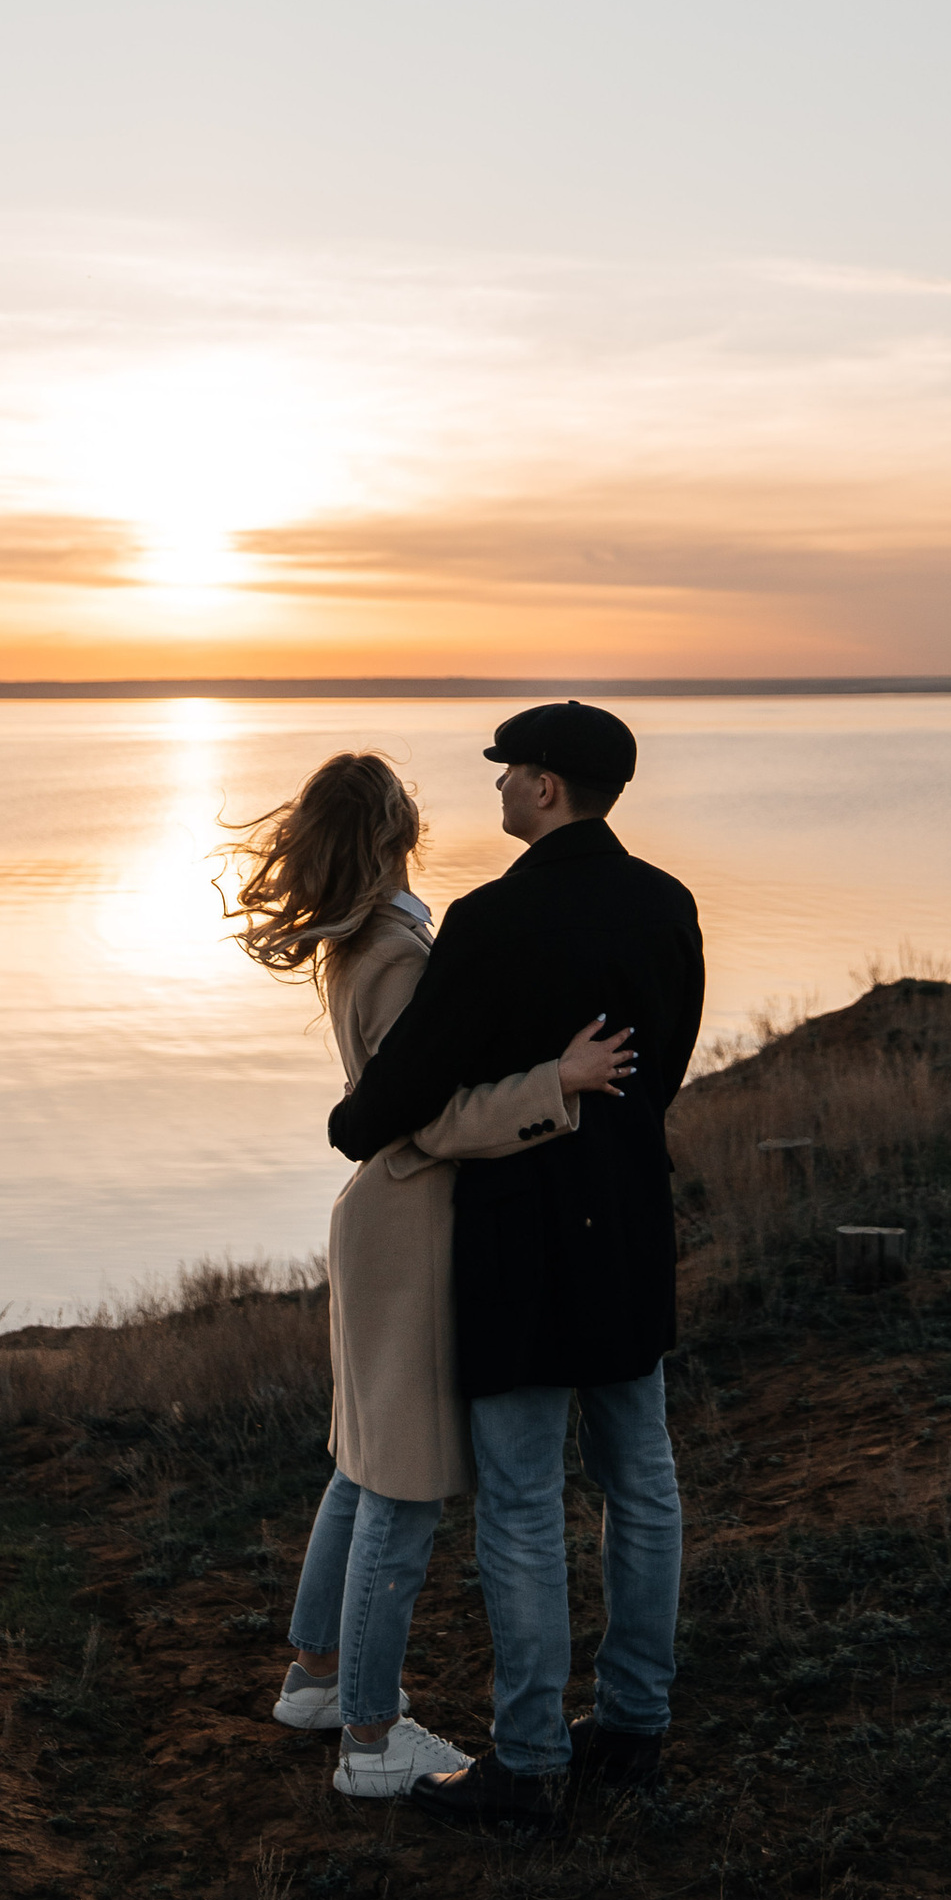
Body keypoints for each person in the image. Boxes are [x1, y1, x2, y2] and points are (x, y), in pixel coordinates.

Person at [227, 750, 636, 1802]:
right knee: (402, 1487)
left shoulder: (361, 937)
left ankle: (316, 1675)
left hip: (384, 1222)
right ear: (397, 828)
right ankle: (370, 1737)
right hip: (411, 1223)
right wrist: (560, 1081)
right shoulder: (400, 954)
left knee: (363, 1463)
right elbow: (433, 1115)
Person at [327, 700, 705, 1827]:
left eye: (505, 774)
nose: (492, 789)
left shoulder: (490, 922)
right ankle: (634, 1728)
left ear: (544, 789)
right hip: (630, 1231)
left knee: (526, 1509)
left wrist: (359, 1122)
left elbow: (392, 1105)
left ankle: (531, 1759)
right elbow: (664, 1068)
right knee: (642, 1484)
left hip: (519, 1250)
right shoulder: (667, 904)